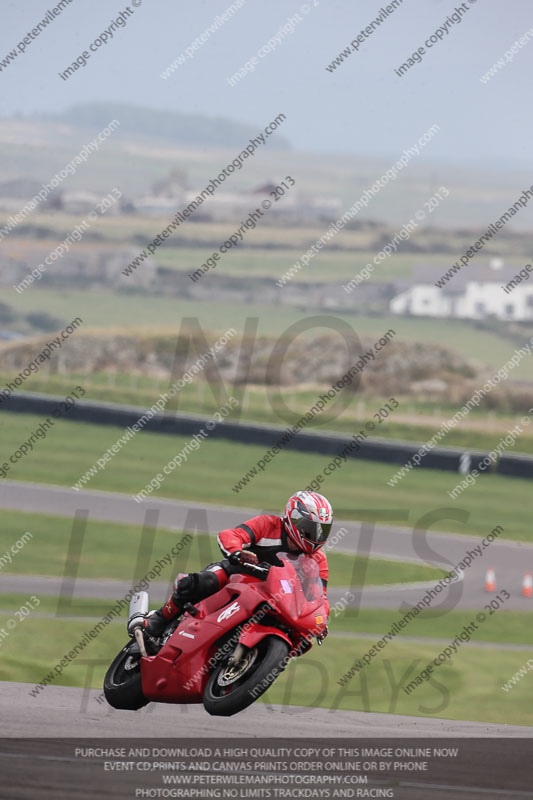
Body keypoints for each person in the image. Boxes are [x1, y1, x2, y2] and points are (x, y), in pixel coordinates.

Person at [141, 491, 333, 644]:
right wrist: (236, 552)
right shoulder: (267, 525)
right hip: (238, 575)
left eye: (322, 530)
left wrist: (319, 621)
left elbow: (319, 597)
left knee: (301, 639)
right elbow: (231, 535)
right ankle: (158, 619)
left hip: (276, 600)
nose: (316, 535)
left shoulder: (318, 560)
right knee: (204, 581)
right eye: (310, 527)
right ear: (294, 518)